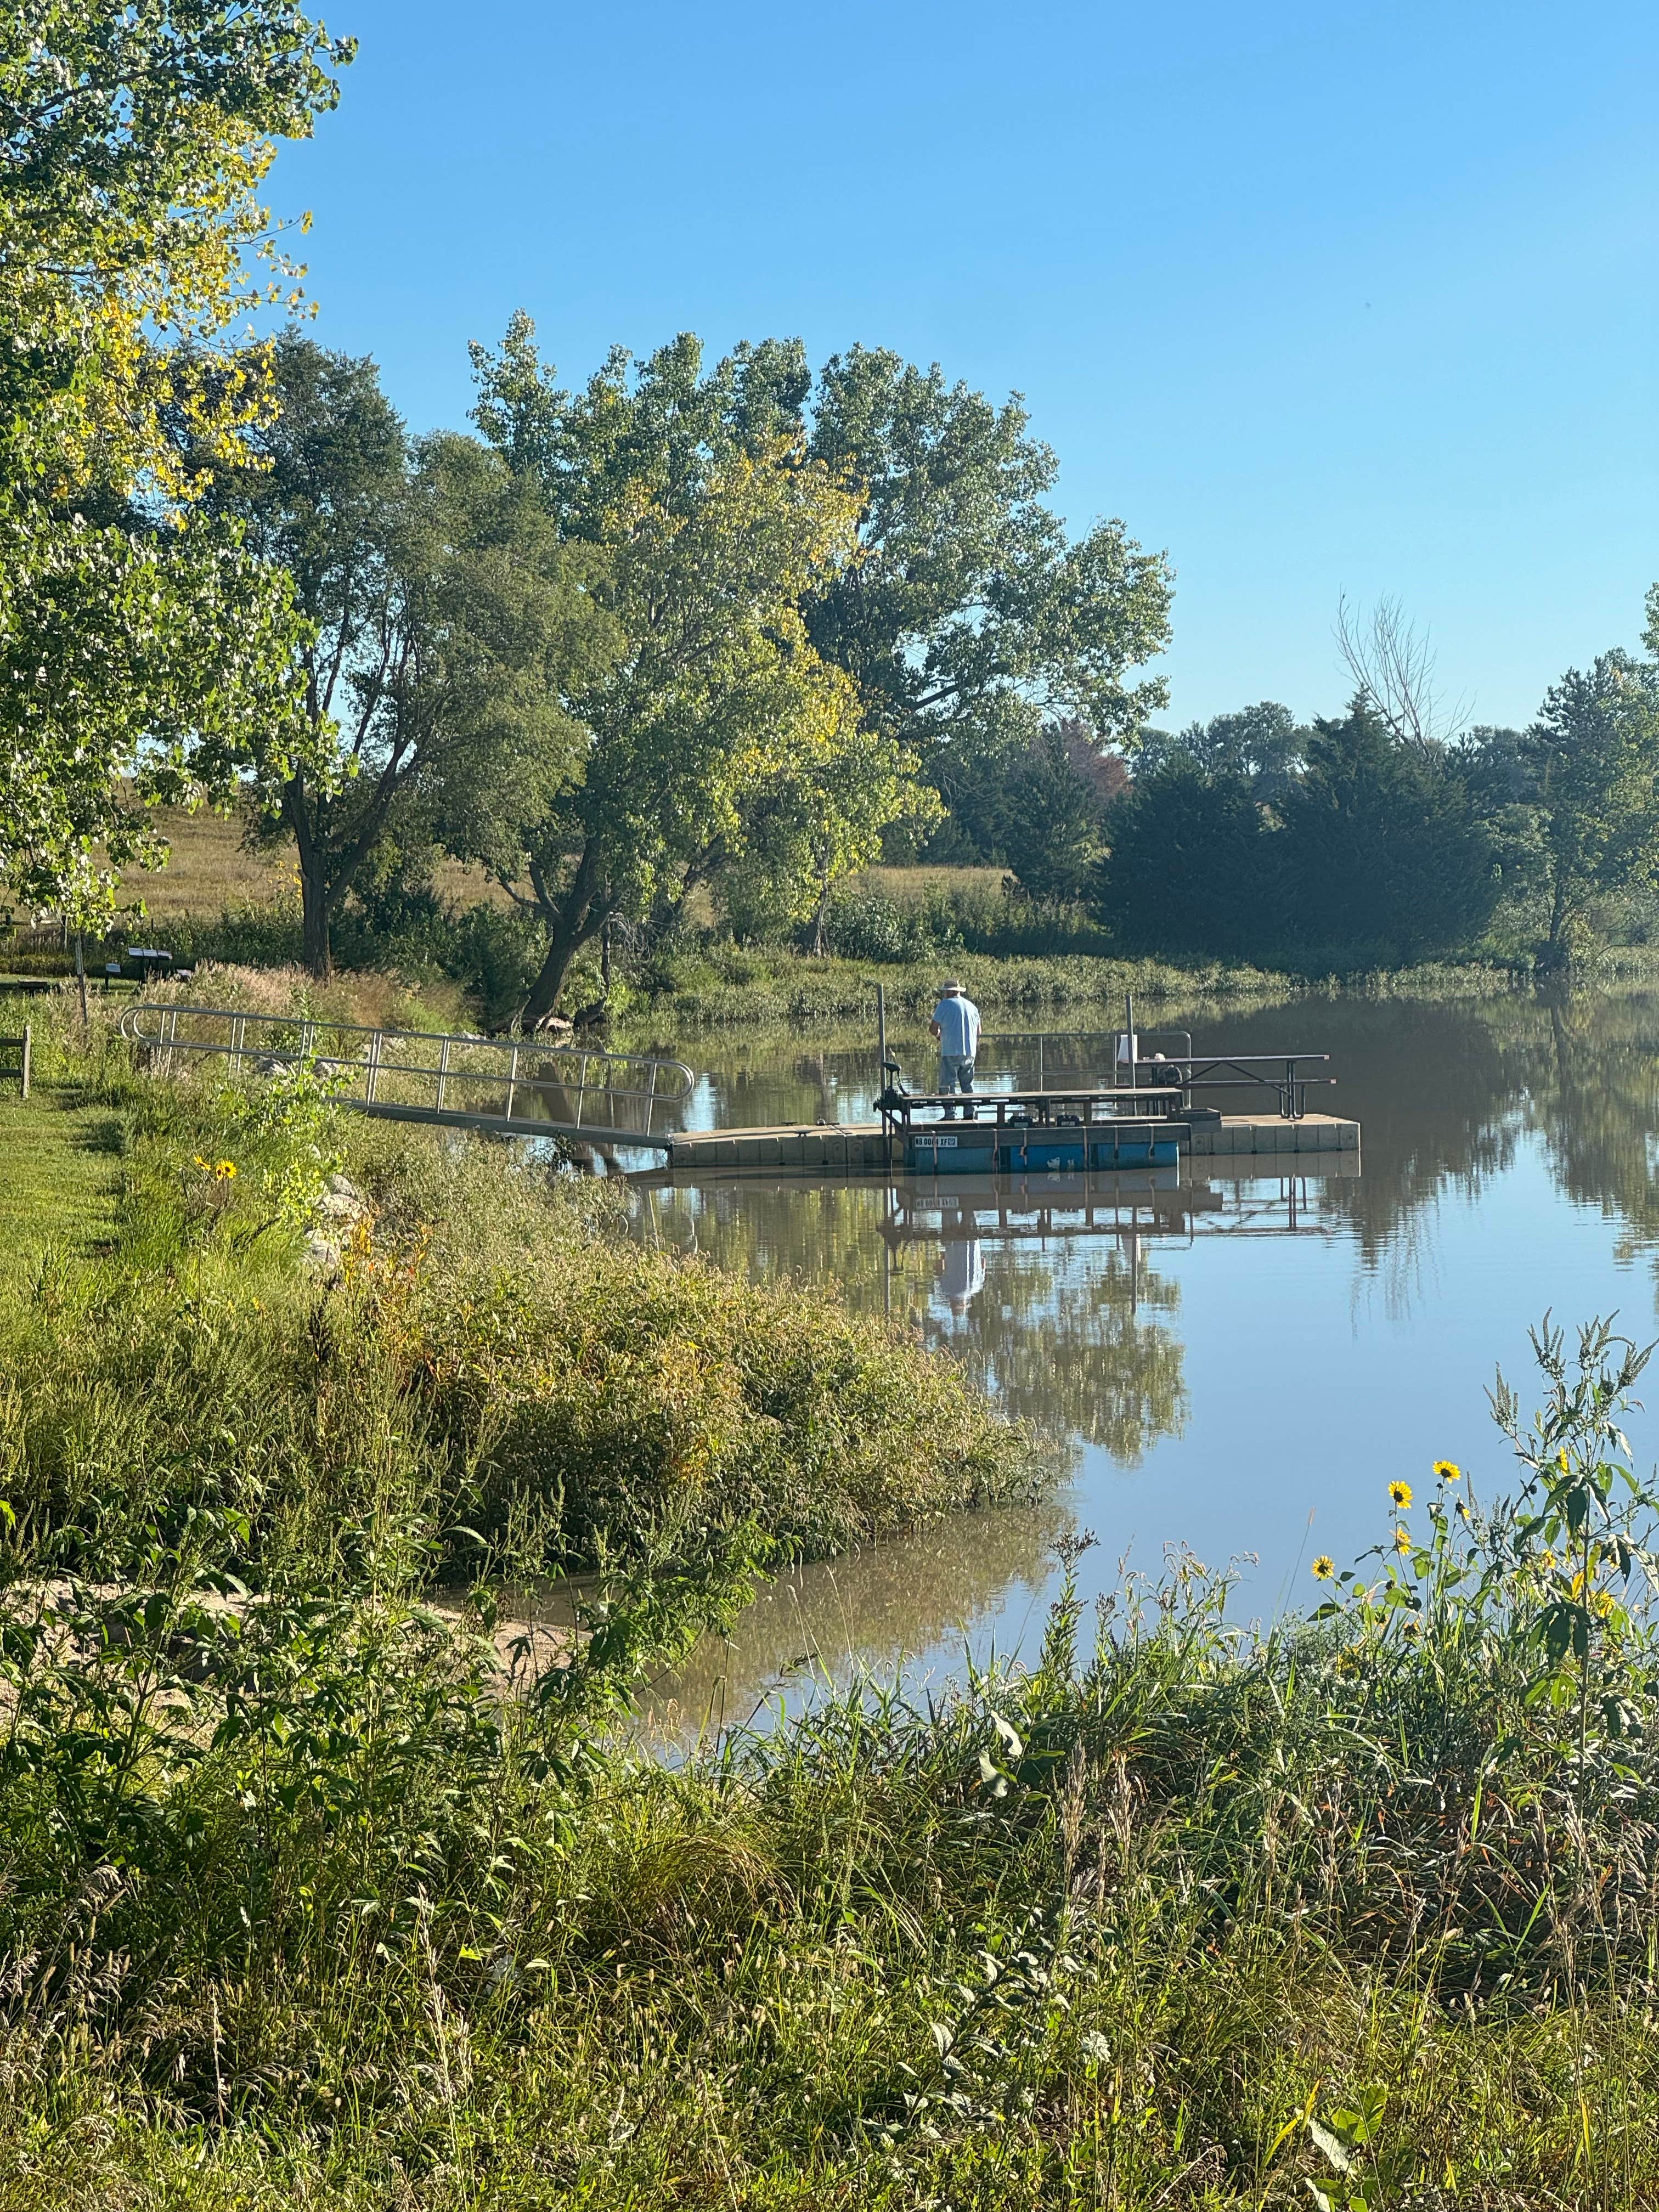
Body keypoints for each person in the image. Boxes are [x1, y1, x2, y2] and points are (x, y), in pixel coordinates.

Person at [929, 979, 981, 1118]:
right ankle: (970, 1113)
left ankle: (950, 1115)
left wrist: (940, 1035)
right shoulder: (972, 1006)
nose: (944, 994)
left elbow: (933, 1029)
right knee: (967, 1085)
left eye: (945, 991)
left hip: (951, 1051)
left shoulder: (944, 1005)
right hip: (970, 1053)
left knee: (947, 1085)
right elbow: (979, 1032)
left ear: (950, 992)